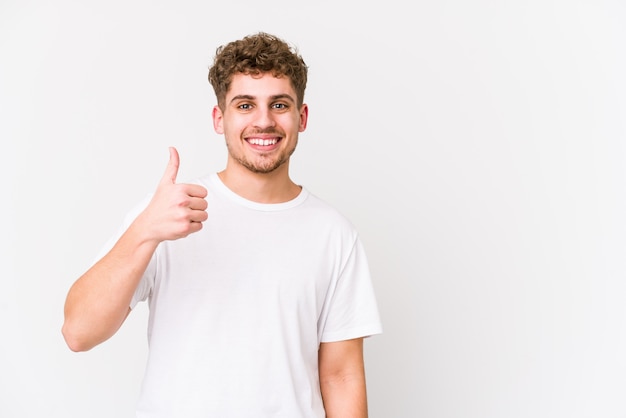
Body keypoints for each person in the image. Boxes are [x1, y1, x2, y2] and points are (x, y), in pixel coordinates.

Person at [62, 32, 382, 418]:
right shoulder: (168, 213)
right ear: (219, 119)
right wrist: (145, 230)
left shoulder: (335, 235)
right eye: (245, 105)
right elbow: (78, 332)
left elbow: (341, 375)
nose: (264, 121)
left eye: (279, 104)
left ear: (302, 117)